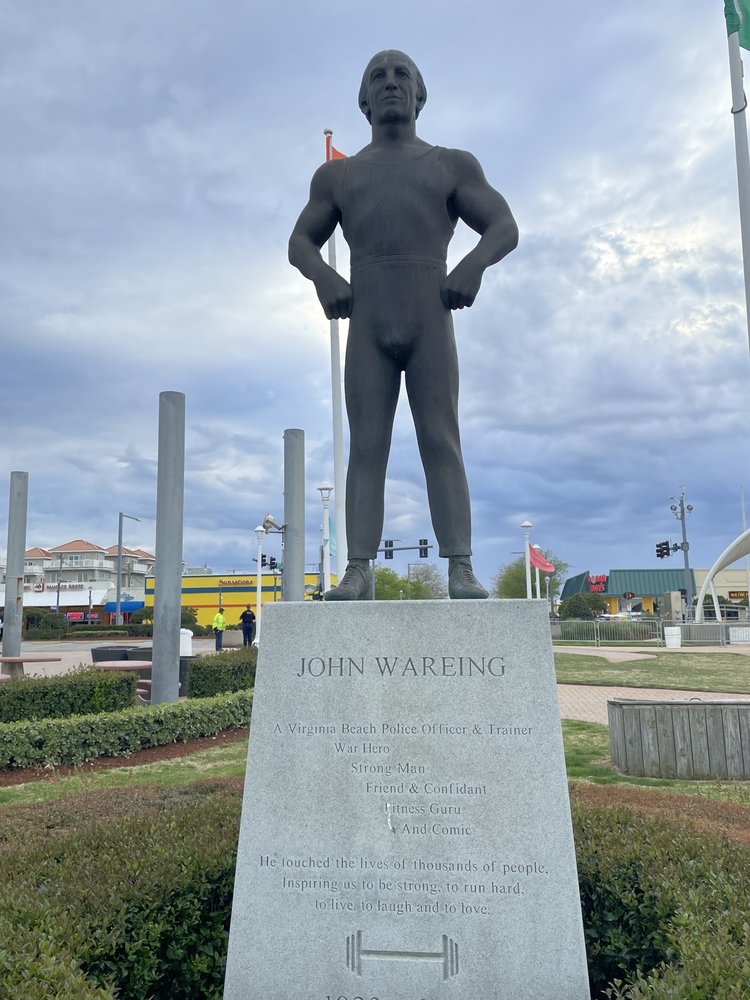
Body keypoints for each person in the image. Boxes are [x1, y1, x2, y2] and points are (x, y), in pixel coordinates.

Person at [289, 50, 518, 602]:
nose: (391, 83)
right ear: (363, 100)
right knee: (367, 444)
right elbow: (300, 242)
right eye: (378, 77)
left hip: (428, 314)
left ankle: (460, 565)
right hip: (368, 317)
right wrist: (324, 276)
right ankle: (359, 567)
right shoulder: (338, 175)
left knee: (441, 437)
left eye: (402, 76)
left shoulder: (451, 164)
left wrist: (471, 265)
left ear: (420, 94)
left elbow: (503, 225)